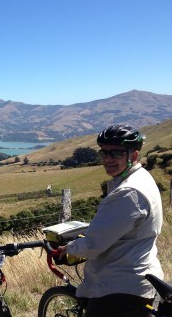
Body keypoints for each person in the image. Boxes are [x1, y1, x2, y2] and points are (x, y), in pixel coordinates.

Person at [58, 124, 163, 317]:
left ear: (133, 155)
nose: (107, 159)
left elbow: (93, 245)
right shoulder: (141, 177)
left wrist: (68, 249)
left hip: (119, 287)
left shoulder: (128, 192)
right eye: (104, 152)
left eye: (116, 153)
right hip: (137, 277)